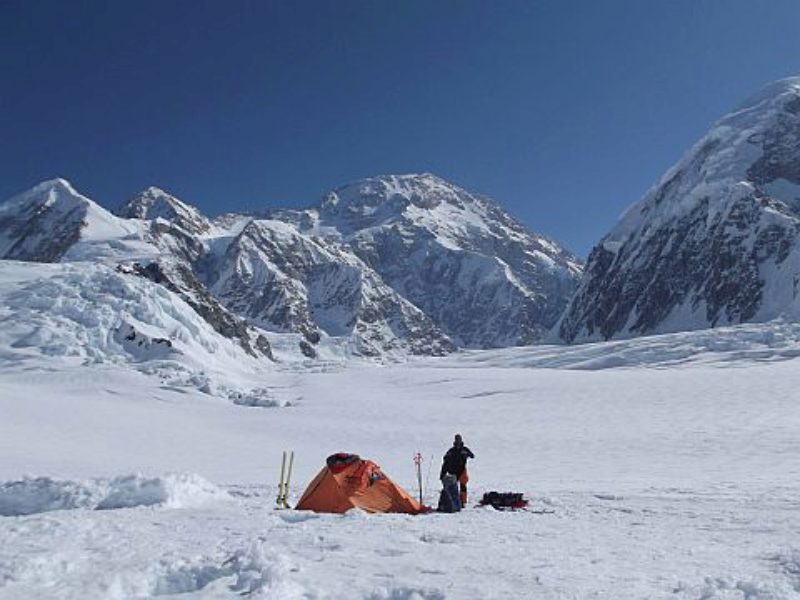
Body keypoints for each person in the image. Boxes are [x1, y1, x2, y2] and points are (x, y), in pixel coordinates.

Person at [440, 434, 474, 507]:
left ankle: (463, 501)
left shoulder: (464, 449)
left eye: (459, 440)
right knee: (452, 487)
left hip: (462, 470)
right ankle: (451, 501)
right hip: (453, 472)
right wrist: (442, 474)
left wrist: (467, 454)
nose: (458, 442)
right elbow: (445, 461)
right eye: (457, 440)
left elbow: (472, 455)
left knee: (463, 485)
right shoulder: (451, 451)